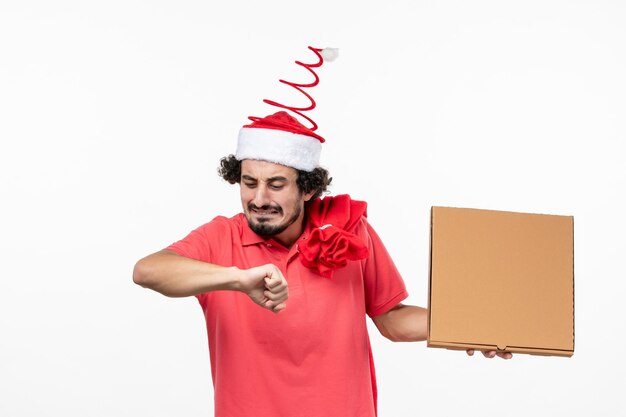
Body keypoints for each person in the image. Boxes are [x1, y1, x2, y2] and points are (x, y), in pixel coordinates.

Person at [132, 46, 511, 417]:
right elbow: (147, 271)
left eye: (276, 184)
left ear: (309, 188)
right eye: (249, 182)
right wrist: (237, 279)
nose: (259, 198)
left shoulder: (350, 230)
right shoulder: (222, 238)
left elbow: (392, 320)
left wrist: (468, 327)